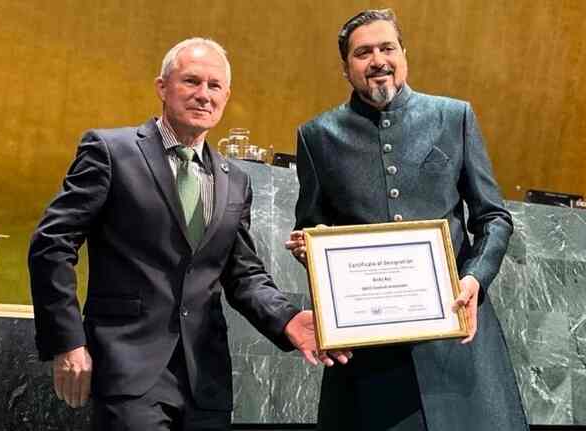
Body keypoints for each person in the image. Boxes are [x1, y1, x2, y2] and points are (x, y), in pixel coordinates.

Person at [28, 37, 347, 430]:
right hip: (128, 371)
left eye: (215, 86)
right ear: (162, 87)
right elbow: (51, 245)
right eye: (191, 82)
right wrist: (67, 342)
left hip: (205, 380)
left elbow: (243, 274)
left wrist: (287, 319)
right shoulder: (111, 151)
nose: (203, 95)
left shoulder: (236, 180)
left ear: (226, 96)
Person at [286, 9, 528, 431]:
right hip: (369, 353)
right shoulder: (317, 136)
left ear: (404, 55)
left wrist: (473, 280)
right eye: (363, 52)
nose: (377, 59)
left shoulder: (455, 117)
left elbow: (493, 217)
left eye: (387, 47)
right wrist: (313, 250)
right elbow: (312, 229)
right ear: (346, 69)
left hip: (458, 336)